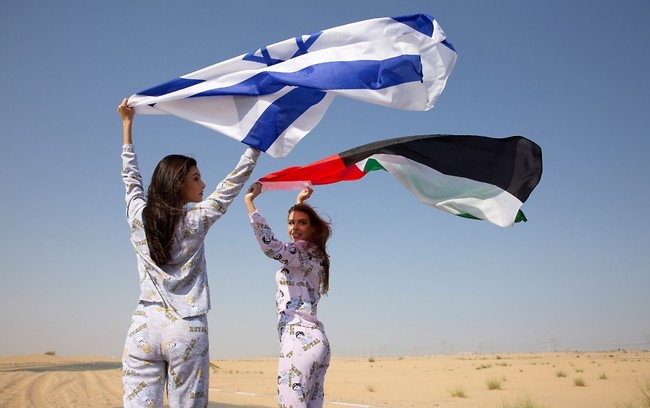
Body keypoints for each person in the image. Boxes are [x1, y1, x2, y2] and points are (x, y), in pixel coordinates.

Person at [118, 98, 260, 408]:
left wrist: (127, 125)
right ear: (177, 183)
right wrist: (256, 145)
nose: (203, 183)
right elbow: (232, 183)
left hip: (143, 327)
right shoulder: (196, 220)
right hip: (187, 327)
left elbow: (131, 179)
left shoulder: (138, 216)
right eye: (196, 178)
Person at [244, 182, 332, 408]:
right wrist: (299, 203)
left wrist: (250, 204)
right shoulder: (315, 254)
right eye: (291, 223)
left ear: (313, 228)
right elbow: (298, 237)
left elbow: (271, 247)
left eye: (302, 223)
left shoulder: (300, 252)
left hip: (298, 340)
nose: (294, 227)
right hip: (317, 342)